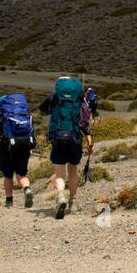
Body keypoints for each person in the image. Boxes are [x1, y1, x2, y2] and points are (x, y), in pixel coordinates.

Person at [39, 76, 92, 220]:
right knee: (73, 170)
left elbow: (42, 109)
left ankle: (61, 196)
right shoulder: (79, 100)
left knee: (60, 172)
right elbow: (85, 120)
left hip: (58, 138)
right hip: (75, 137)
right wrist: (88, 138)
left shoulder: (55, 98)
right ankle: (72, 202)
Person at [0, 94, 35, 208]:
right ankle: (27, 189)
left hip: (7, 149)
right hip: (24, 146)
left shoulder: (2, 117)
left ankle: (9, 201)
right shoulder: (25, 115)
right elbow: (30, 131)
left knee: (8, 176)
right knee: (21, 174)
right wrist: (30, 148)